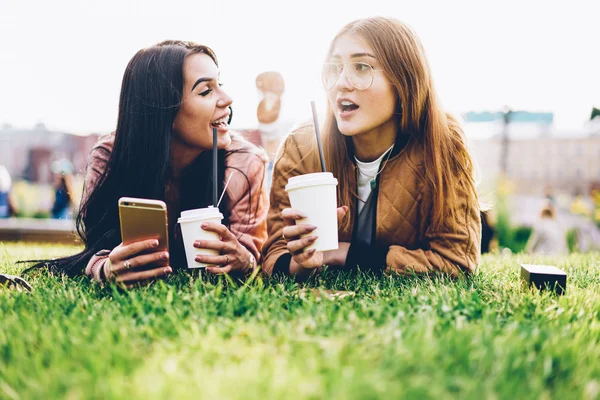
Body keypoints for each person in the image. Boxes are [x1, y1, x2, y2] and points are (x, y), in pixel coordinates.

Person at [26, 40, 268, 287]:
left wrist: (244, 260)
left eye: (220, 85)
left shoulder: (243, 163)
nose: (227, 99)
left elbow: (253, 254)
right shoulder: (111, 156)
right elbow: (98, 246)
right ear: (164, 108)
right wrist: (105, 267)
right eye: (206, 91)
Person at [262, 17, 481, 279]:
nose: (342, 82)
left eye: (362, 67)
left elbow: (457, 261)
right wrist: (300, 262)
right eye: (334, 68)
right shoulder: (302, 146)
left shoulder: (441, 142)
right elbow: (273, 256)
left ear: (404, 80)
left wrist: (346, 254)